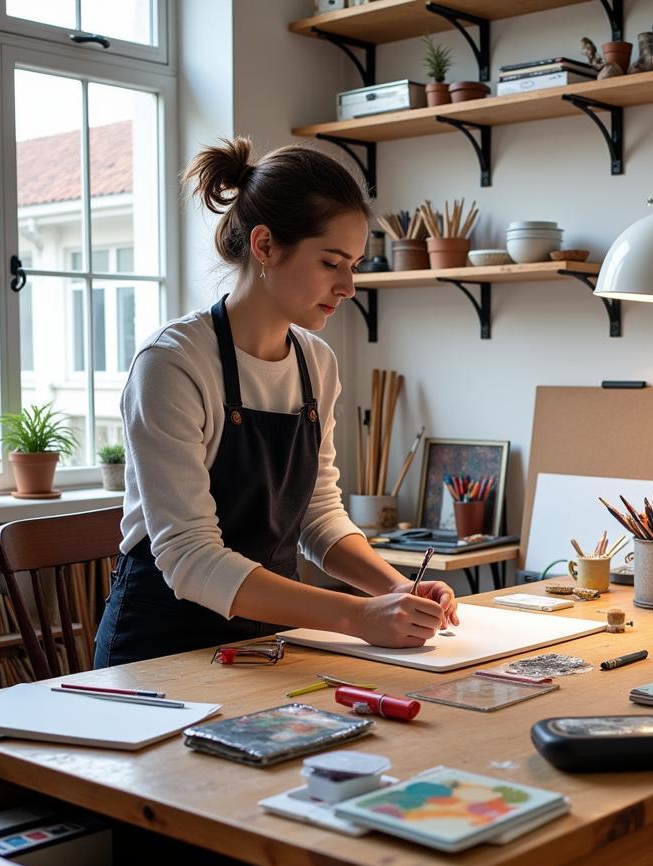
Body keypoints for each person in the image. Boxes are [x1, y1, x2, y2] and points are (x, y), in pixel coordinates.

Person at [94, 138, 458, 668]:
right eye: (332, 262)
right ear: (264, 246)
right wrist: (358, 616)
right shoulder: (173, 365)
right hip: (162, 652)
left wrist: (397, 587)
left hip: (268, 644)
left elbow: (318, 517)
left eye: (353, 264)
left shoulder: (317, 363)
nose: (350, 286)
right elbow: (189, 557)